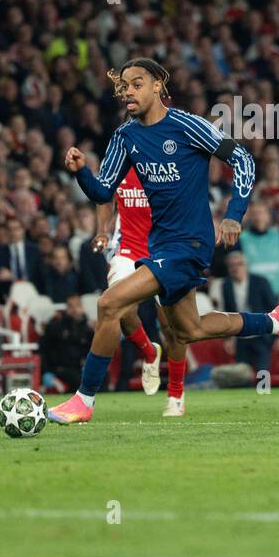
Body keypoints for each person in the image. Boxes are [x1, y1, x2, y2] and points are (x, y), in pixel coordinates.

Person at [52, 57, 279, 423]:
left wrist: (233, 215)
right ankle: (274, 321)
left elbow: (244, 160)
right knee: (191, 329)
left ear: (158, 85)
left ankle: (84, 400)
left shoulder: (187, 126)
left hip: (190, 245)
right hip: (161, 245)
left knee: (110, 305)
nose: (128, 92)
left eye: (137, 83)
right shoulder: (126, 136)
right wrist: (80, 172)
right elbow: (103, 190)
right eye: (124, 86)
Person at [92, 155, 164, 402]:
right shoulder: (118, 164)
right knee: (120, 310)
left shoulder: (164, 162)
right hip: (127, 249)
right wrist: (102, 231)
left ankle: (176, 392)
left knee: (178, 325)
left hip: (163, 249)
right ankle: (149, 353)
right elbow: (104, 196)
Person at [220, 251, 278, 375]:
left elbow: (274, 307)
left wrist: (278, 336)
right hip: (241, 336)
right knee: (242, 374)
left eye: (239, 264)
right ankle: (244, 395)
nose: (235, 268)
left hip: (261, 335)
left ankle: (264, 393)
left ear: (246, 265)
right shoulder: (226, 285)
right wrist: (228, 338)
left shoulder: (260, 282)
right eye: (231, 265)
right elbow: (227, 312)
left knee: (263, 371)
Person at [39, 294, 93, 393]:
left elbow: (90, 348)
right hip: (61, 368)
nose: (74, 309)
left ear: (82, 307)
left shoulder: (87, 329)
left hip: (79, 367)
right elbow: (45, 348)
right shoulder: (57, 327)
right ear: (67, 308)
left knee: (101, 377)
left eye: (77, 306)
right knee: (78, 379)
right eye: (71, 306)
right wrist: (47, 370)